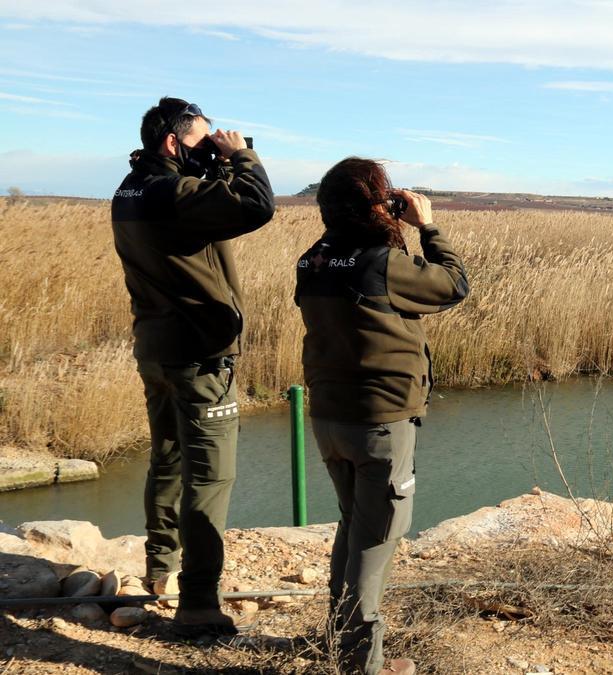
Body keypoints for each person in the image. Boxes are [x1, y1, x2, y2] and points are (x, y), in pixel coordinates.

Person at [294, 158, 468, 675]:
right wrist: (427, 226)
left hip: (329, 418)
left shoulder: (312, 260)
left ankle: (337, 641)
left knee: (352, 524)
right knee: (378, 537)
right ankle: (359, 664)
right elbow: (453, 285)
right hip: (381, 422)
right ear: (376, 204)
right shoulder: (382, 263)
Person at [111, 96, 275, 634]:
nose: (214, 148)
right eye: (204, 140)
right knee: (210, 475)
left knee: (168, 457)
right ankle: (199, 602)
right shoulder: (175, 193)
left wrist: (213, 160)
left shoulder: (131, 189)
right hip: (198, 356)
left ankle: (160, 569)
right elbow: (256, 207)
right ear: (171, 142)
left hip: (155, 349)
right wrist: (242, 159)